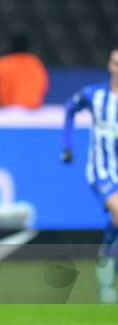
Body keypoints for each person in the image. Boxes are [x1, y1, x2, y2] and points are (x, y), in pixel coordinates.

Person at [62, 46, 118, 304]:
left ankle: (105, 261)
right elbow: (70, 108)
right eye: (115, 62)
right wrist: (67, 146)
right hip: (101, 171)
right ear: (109, 65)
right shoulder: (95, 95)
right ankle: (107, 275)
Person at [0, 32, 48, 109]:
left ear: (11, 45)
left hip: (7, 112)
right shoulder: (35, 63)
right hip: (32, 112)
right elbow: (43, 85)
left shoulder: (1, 64)